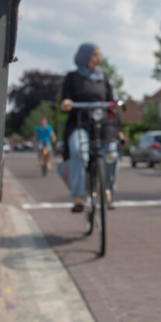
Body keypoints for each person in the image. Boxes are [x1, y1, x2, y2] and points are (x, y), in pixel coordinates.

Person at [60, 43, 126, 212]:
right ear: (85, 57)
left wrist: (118, 129)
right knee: (77, 151)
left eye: (99, 54)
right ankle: (78, 196)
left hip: (103, 123)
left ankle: (107, 190)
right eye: (95, 55)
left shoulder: (103, 77)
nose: (99, 58)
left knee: (111, 153)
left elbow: (111, 104)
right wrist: (66, 103)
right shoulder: (72, 77)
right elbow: (65, 99)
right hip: (80, 122)